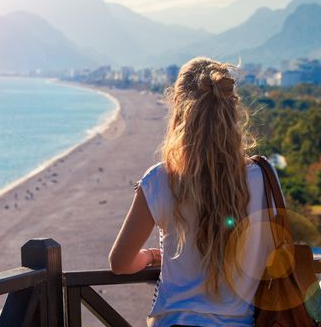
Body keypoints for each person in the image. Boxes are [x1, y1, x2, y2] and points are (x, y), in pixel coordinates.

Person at [109, 57, 277, 326]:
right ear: (231, 108)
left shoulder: (161, 179)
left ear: (178, 108)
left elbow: (120, 262)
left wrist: (152, 256)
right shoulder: (264, 177)